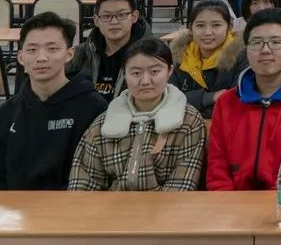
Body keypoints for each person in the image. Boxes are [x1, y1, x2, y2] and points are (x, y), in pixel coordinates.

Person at [206, 9, 281, 190]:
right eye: (256, 43)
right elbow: (217, 169)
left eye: (276, 42)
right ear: (246, 49)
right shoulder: (227, 103)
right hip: (232, 201)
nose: (265, 50)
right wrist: (228, 203)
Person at [68, 38, 207, 191]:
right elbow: (83, 185)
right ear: (124, 74)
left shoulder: (188, 120)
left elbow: (182, 187)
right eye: (136, 73)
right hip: (112, 205)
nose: (145, 81)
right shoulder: (103, 124)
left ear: (169, 71)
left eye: (155, 71)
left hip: (167, 205)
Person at [0, 12, 107, 190]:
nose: (41, 58)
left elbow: (99, 175)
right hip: (14, 206)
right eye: (32, 50)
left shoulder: (94, 107)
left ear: (69, 54)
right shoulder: (4, 114)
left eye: (52, 49)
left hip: (74, 204)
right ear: (21, 57)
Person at [67, 0, 153, 101]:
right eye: (106, 16)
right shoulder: (79, 54)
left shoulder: (153, 55)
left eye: (121, 15)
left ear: (134, 17)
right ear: (96, 20)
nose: (114, 22)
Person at [169, 0, 246, 118]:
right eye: (200, 25)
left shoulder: (243, 56)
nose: (208, 32)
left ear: (229, 28)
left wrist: (188, 102)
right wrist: (211, 97)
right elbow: (170, 101)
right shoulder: (179, 56)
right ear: (190, 29)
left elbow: (236, 102)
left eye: (216, 25)